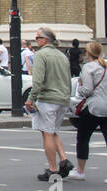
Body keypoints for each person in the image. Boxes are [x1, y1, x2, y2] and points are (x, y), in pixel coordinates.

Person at [25, 26, 73, 181]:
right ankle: (64, 160)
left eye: (38, 38)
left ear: (45, 39)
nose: (36, 40)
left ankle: (53, 169)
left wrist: (31, 99)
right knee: (52, 131)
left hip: (48, 99)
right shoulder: (62, 56)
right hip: (62, 99)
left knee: (47, 133)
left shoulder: (40, 55)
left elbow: (37, 81)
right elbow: (68, 78)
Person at [70, 41, 107, 181]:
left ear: (87, 53)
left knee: (83, 138)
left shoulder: (88, 67)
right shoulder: (105, 66)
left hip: (93, 108)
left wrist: (79, 87)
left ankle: (80, 171)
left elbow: (87, 90)